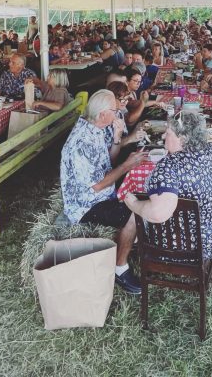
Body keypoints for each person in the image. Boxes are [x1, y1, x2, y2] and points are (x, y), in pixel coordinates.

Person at [124, 110, 212, 294]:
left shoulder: (169, 167)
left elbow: (158, 214)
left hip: (179, 247)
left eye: (168, 132)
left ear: (182, 138)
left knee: (136, 213)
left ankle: (122, 264)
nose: (163, 135)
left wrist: (133, 204)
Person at [60, 90, 146, 294]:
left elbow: (108, 162)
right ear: (102, 115)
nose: (118, 115)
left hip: (100, 193)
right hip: (85, 205)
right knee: (136, 212)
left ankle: (132, 242)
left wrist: (117, 139)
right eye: (115, 111)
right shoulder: (82, 141)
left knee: (139, 194)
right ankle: (119, 268)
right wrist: (127, 166)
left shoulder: (96, 128)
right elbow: (98, 185)